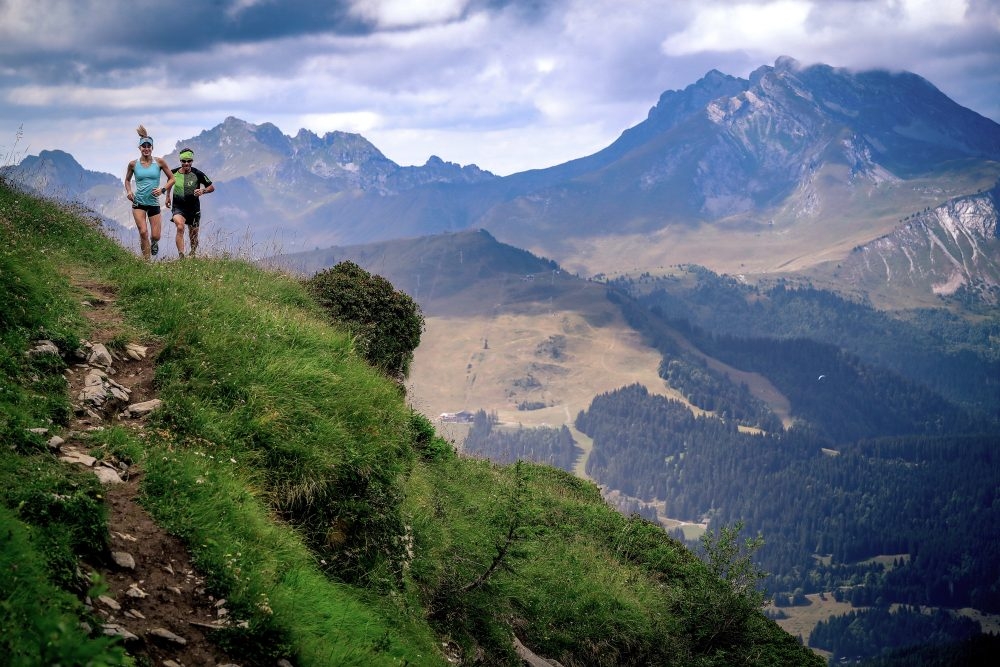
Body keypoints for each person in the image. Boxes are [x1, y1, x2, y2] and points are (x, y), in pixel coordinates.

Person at [124, 125, 174, 259]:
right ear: (140, 148)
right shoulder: (133, 164)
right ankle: (146, 263)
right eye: (143, 146)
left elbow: (172, 178)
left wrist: (162, 189)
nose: (146, 149)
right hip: (138, 202)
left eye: (148, 146)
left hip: (153, 202)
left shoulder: (159, 162)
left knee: (155, 235)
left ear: (152, 148)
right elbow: (127, 180)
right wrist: (129, 191)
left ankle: (155, 243)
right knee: (143, 232)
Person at [166, 148, 214, 258]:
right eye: (184, 161)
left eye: (189, 161)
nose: (186, 163)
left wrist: (203, 191)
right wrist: (168, 196)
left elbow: (211, 187)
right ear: (180, 161)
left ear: (192, 161)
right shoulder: (173, 173)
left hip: (194, 208)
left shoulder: (198, 173)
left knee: (193, 236)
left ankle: (192, 254)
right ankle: (181, 256)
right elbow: (169, 183)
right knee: (180, 227)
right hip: (178, 207)